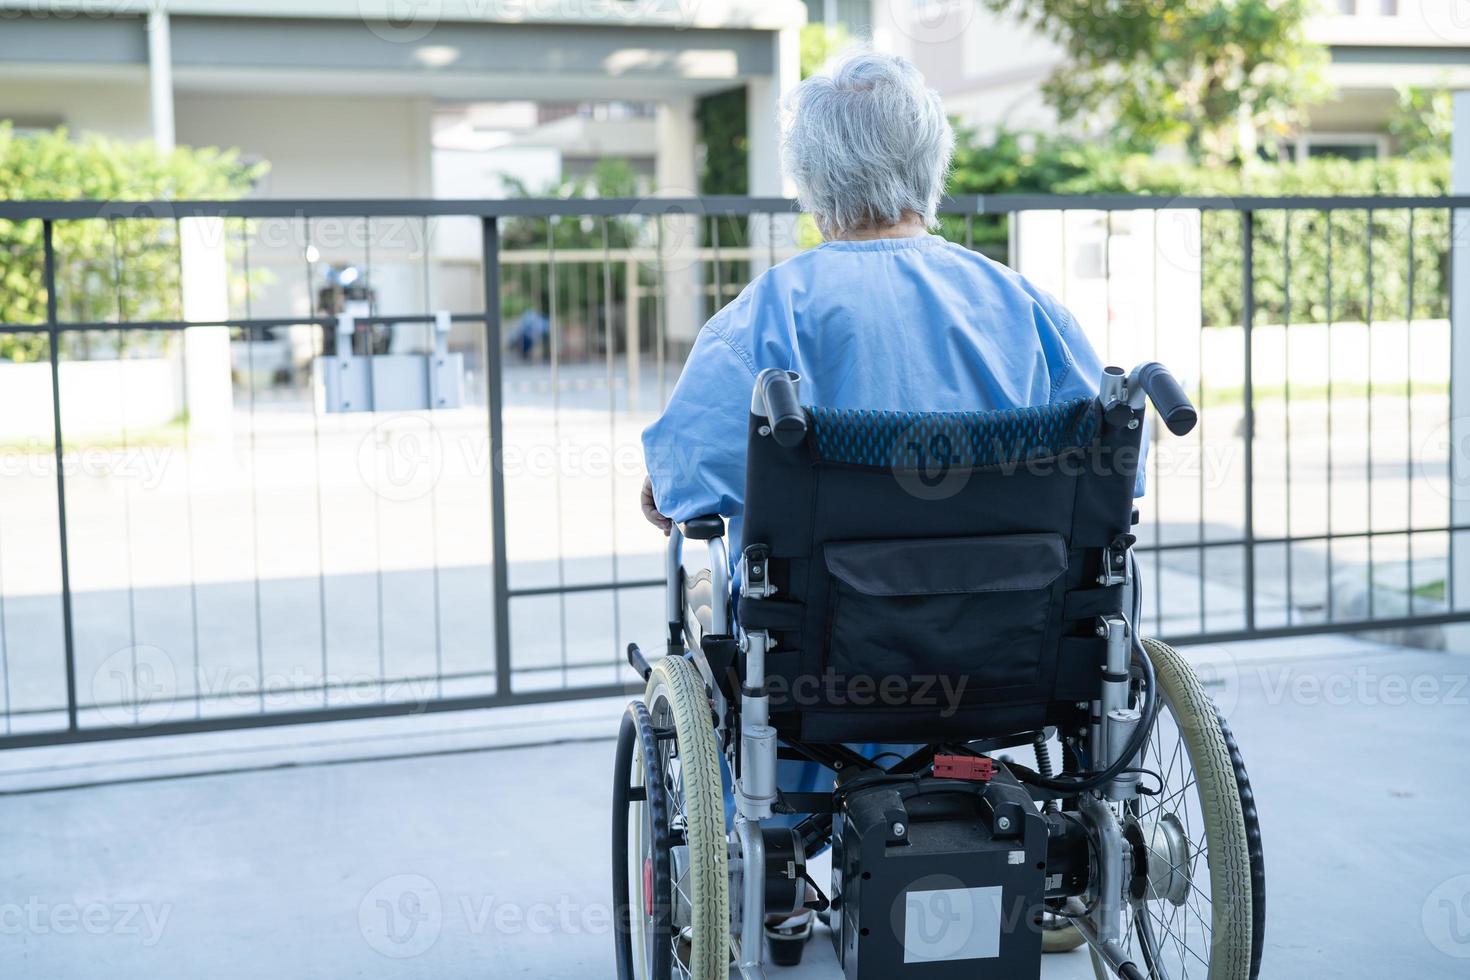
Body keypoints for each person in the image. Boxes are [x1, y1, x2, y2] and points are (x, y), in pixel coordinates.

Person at [638, 49, 1144, 958]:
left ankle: (778, 876)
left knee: (737, 600)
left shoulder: (770, 312)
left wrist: (663, 492)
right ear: (930, 162)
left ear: (811, 178)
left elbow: (689, 488)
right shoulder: (1019, 302)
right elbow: (1116, 483)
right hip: (1010, 658)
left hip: (830, 670)